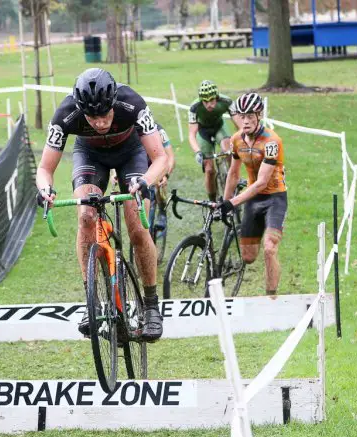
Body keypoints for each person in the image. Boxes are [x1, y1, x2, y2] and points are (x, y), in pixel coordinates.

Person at [35, 68, 169, 341]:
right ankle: (92, 303)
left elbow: (160, 158)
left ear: (113, 104)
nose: (99, 122)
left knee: (136, 224)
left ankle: (152, 305)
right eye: (92, 117)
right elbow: (44, 169)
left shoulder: (131, 103)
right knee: (85, 215)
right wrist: (45, 190)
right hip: (90, 155)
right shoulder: (65, 114)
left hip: (131, 153)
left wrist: (145, 182)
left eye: (105, 114)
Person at [217, 92, 287, 297]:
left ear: (259, 115)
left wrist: (233, 202)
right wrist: (224, 201)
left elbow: (261, 182)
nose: (245, 121)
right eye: (241, 116)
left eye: (250, 116)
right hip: (252, 200)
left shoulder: (272, 141)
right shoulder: (236, 140)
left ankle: (271, 296)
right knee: (248, 257)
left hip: (275, 198)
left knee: (269, 248)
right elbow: (233, 173)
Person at [188, 80, 238, 201]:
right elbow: (191, 134)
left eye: (212, 100)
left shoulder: (226, 101)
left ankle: (234, 176)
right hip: (203, 131)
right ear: (201, 100)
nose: (209, 104)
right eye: (205, 101)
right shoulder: (194, 107)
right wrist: (197, 152)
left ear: (217, 97)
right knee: (209, 170)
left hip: (219, 127)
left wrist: (242, 141)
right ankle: (212, 202)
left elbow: (239, 125)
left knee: (228, 149)